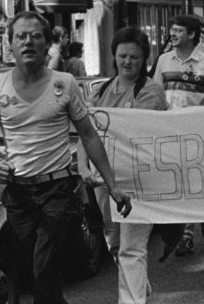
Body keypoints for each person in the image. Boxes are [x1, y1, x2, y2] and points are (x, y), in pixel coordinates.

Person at [0, 11, 132, 304]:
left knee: (42, 263)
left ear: (48, 44)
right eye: (20, 36)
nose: (28, 42)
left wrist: (112, 186)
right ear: (9, 44)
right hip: (19, 195)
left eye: (36, 36)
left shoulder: (64, 84)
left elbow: (89, 135)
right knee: (40, 271)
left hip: (58, 191)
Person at [78, 27, 166, 304]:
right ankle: (139, 286)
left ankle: (133, 299)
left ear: (144, 60)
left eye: (135, 57)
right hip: (105, 180)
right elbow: (86, 130)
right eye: (122, 56)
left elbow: (139, 130)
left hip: (139, 181)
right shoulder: (102, 91)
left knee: (132, 248)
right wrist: (83, 166)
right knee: (115, 245)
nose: (128, 62)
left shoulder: (151, 91)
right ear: (114, 56)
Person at [152, 14, 204, 256]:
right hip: (170, 131)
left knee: (197, 180)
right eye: (171, 29)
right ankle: (187, 234)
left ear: (191, 34)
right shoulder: (162, 61)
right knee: (180, 182)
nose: (172, 34)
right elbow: (155, 93)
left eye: (178, 30)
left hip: (198, 132)